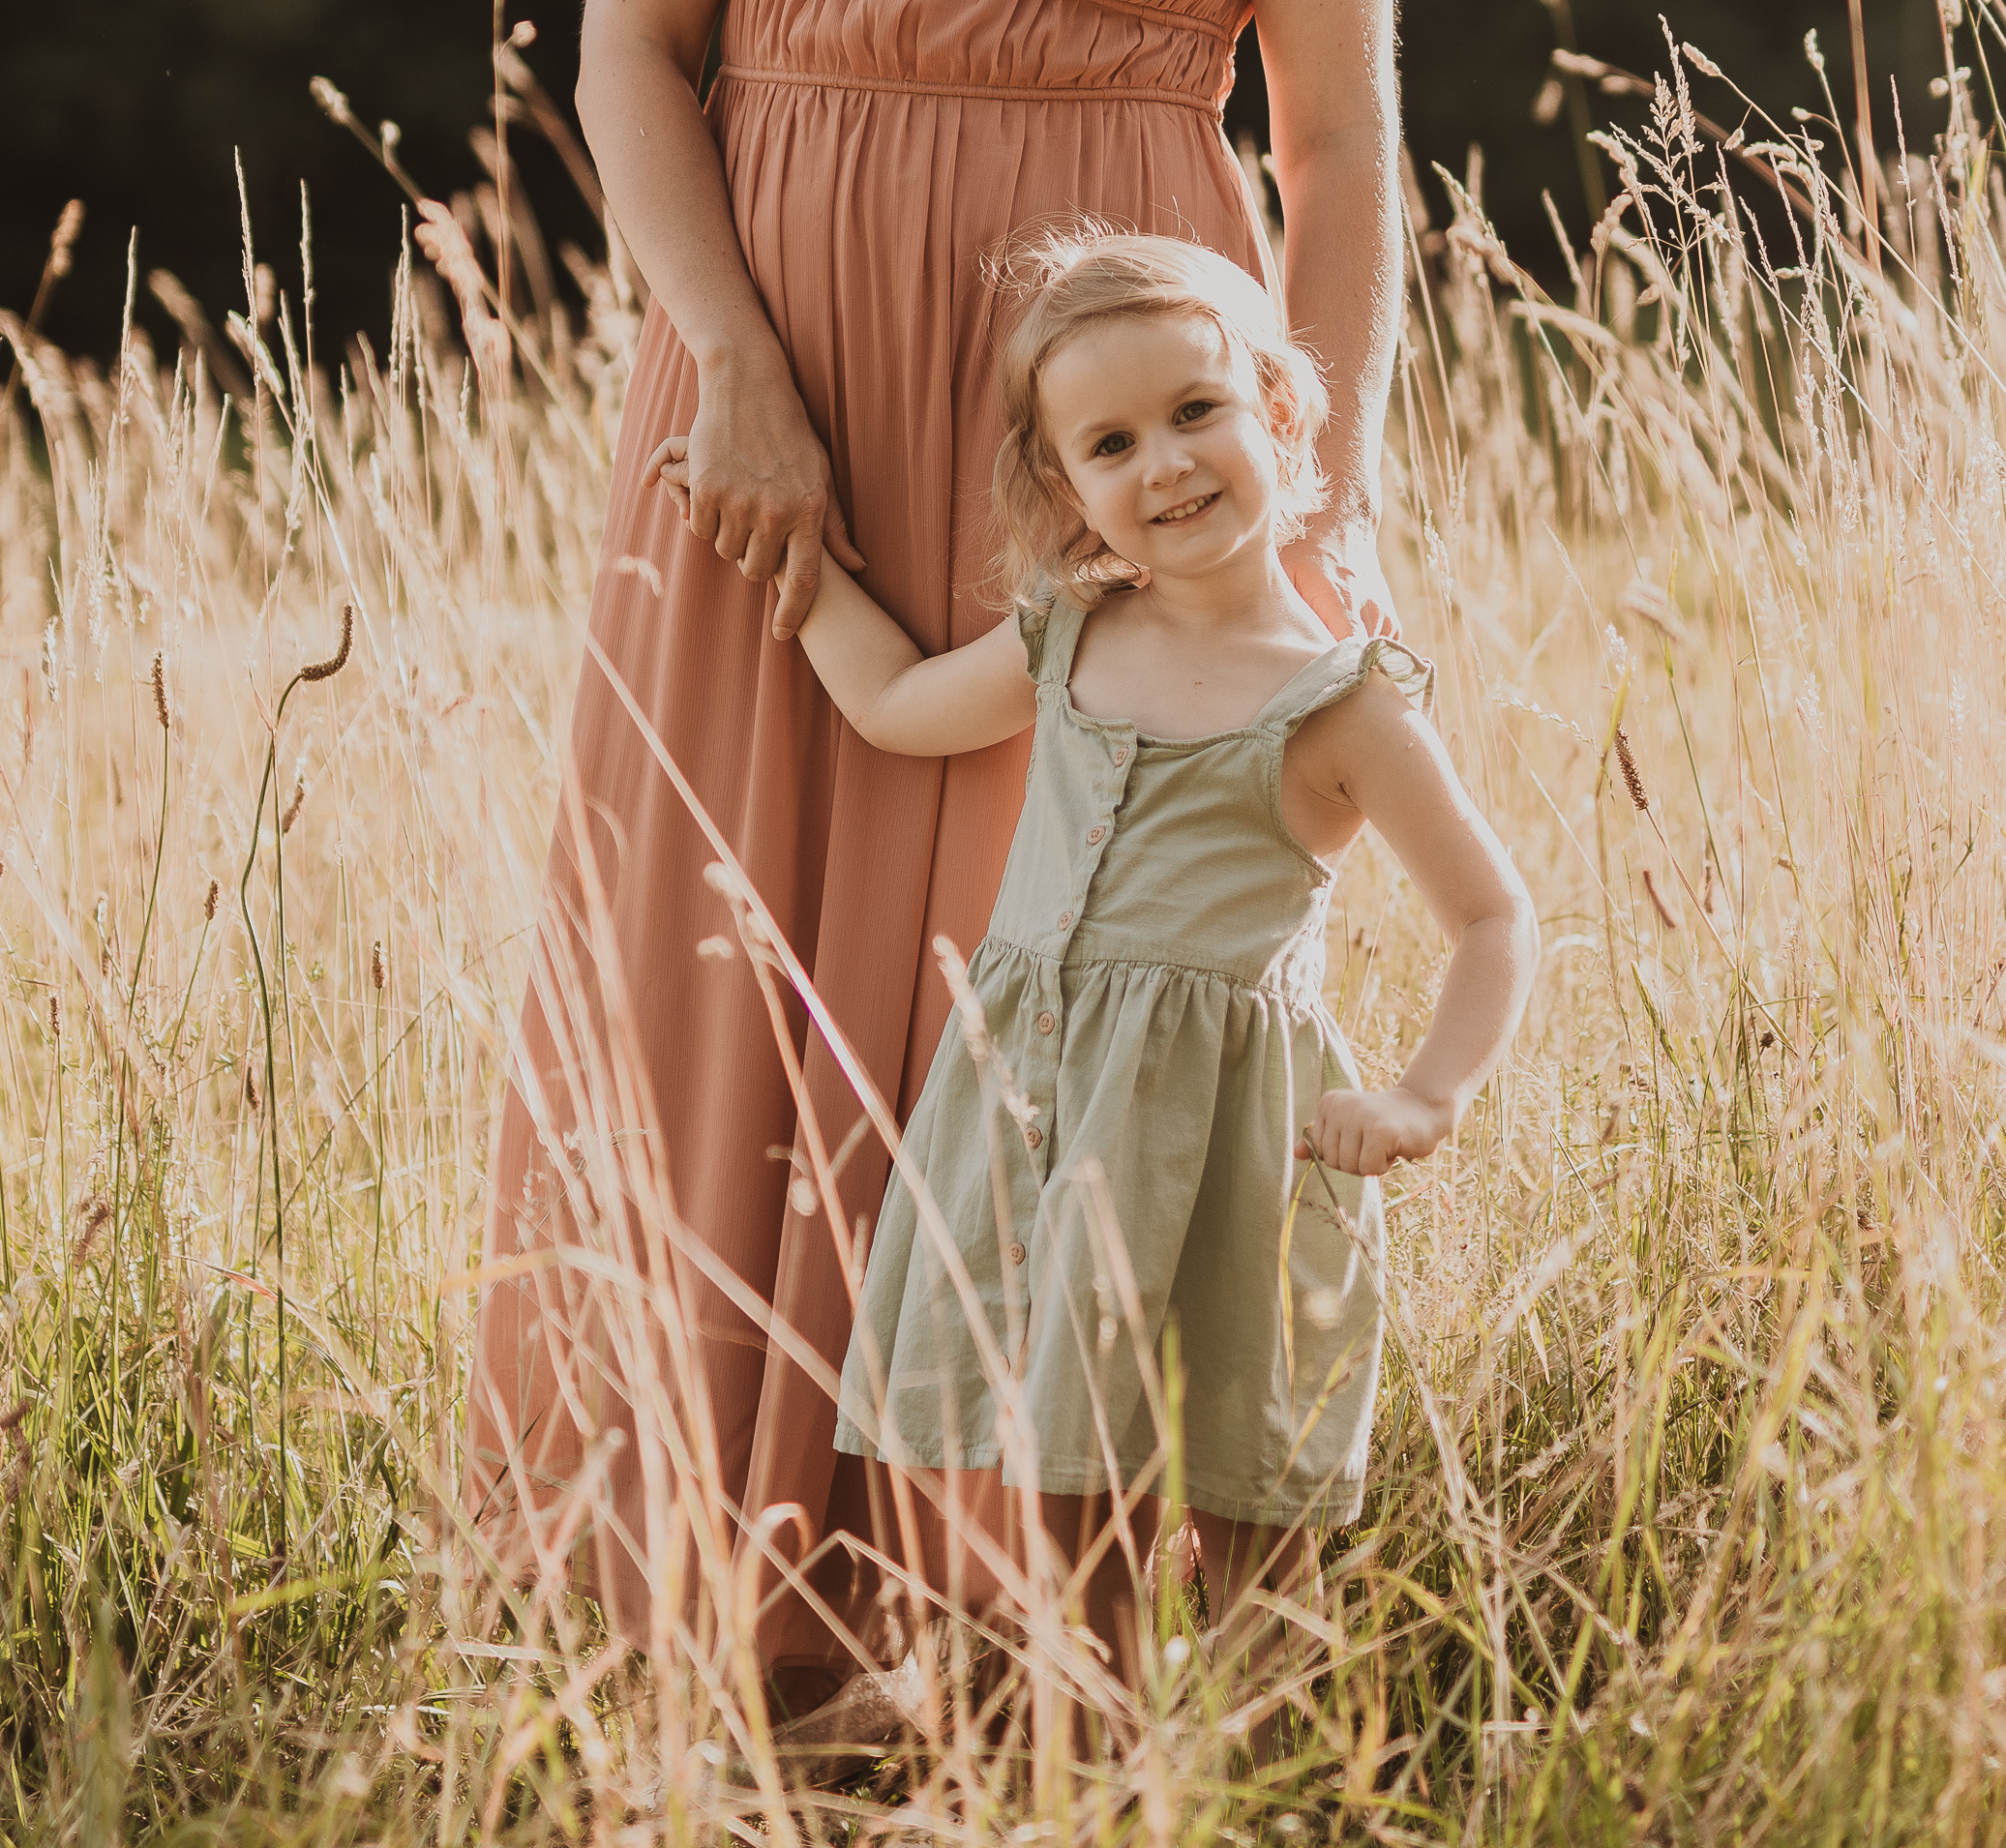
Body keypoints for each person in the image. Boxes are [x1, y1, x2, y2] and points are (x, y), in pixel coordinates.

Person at [467, 0, 1403, 1691]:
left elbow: (1337, 151)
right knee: (720, 980)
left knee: (1060, 1017)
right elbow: (634, 54)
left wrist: (1288, 535)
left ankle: (1032, 1647)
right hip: (758, 435)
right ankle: (700, 1614)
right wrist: (727, 369)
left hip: (1105, 458)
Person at [651, 228, 1538, 1684]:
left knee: (1249, 1489)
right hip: (1046, 1127)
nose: (1168, 466)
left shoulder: (1340, 701)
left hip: (1226, 1139)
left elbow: (1495, 917)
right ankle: (1104, 1766)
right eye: (1112, 444)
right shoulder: (1068, 634)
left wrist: (1427, 1094)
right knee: (1075, 1483)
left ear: (1281, 411)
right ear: (1066, 488)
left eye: (1198, 412)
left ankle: (1268, 1777)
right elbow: (890, 705)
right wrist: (790, 567)